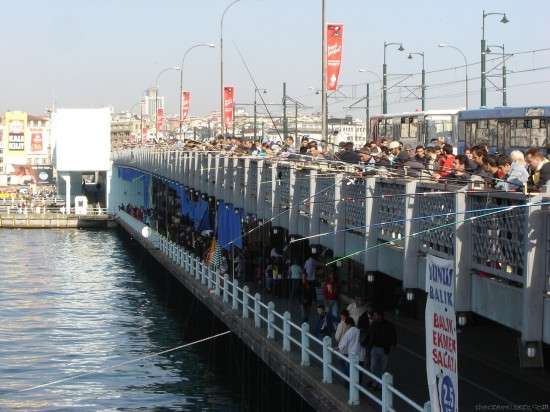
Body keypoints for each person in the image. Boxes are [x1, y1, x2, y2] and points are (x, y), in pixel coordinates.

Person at [368, 310, 397, 389]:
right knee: (373, 366)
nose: (374, 317)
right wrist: (368, 346)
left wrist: (393, 345)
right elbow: (370, 335)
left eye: (375, 315)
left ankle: (380, 384)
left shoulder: (389, 325)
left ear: (380, 316)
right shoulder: (373, 324)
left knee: (383, 368)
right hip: (375, 348)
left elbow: (393, 336)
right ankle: (375, 382)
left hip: (385, 349)